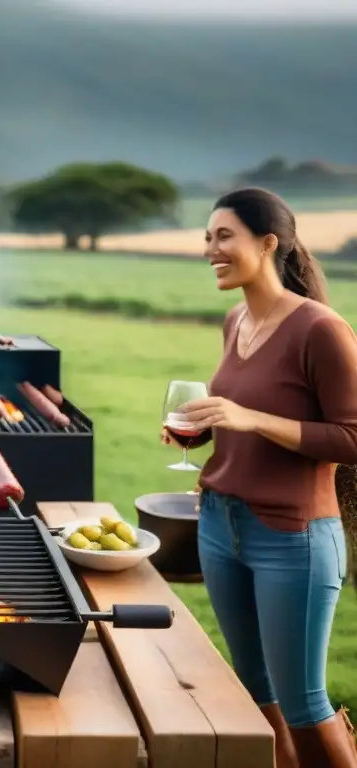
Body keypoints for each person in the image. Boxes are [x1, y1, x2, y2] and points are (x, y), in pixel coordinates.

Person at [165, 187, 357, 767]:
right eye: (206, 238)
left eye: (224, 236)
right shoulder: (236, 320)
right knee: (254, 689)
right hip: (221, 528)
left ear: (268, 243)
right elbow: (243, 417)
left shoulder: (320, 330)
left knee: (303, 701)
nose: (210, 250)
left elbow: (351, 437)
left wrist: (248, 418)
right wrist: (203, 432)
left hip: (292, 538)